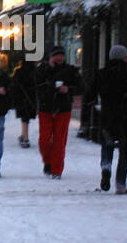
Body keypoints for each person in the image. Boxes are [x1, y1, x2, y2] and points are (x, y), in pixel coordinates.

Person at [94, 44, 127, 194]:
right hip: (126, 117)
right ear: (123, 57)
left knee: (107, 145)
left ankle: (106, 168)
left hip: (108, 116)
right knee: (125, 151)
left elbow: (91, 92)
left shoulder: (102, 73)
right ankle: (120, 184)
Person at [35, 45, 80, 179]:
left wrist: (68, 89)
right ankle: (48, 161)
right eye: (56, 56)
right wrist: (50, 86)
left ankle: (56, 170)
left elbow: (80, 87)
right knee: (44, 140)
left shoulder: (70, 71)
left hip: (63, 109)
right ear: (51, 57)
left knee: (59, 142)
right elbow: (37, 87)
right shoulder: (42, 70)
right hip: (45, 108)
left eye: (62, 56)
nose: (60, 58)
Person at [11, 53, 38, 148]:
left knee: (24, 118)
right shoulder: (35, 71)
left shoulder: (19, 71)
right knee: (26, 118)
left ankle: (25, 138)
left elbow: (14, 85)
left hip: (21, 98)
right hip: (31, 98)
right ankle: (23, 136)